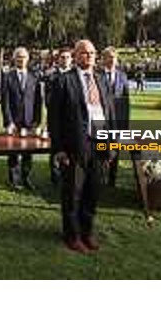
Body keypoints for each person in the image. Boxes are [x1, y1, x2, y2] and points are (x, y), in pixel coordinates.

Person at [49, 39, 114, 254]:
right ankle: (72, 235)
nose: (90, 57)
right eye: (85, 53)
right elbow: (54, 119)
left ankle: (87, 232)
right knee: (72, 194)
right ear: (76, 56)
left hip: (100, 143)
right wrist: (58, 149)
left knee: (92, 192)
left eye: (93, 53)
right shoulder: (63, 81)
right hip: (75, 145)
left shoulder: (102, 79)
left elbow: (109, 112)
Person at [0, 47, 42, 190]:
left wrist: (37, 121)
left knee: (28, 152)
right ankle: (13, 179)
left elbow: (38, 102)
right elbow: (4, 102)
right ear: (14, 58)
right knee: (13, 151)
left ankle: (26, 178)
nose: (21, 59)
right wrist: (8, 121)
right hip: (14, 122)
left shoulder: (34, 77)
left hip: (29, 121)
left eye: (23, 57)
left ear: (28, 59)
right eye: (18, 57)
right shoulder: (7, 77)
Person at [100, 46, 130, 186]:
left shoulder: (122, 76)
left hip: (117, 121)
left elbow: (125, 102)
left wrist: (125, 125)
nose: (112, 60)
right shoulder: (97, 75)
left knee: (115, 149)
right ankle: (99, 177)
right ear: (103, 59)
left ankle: (112, 179)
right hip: (100, 120)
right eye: (109, 57)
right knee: (100, 148)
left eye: (114, 57)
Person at [45, 47, 73, 184]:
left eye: (68, 57)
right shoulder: (51, 76)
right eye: (63, 57)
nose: (65, 60)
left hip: (71, 120)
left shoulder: (75, 75)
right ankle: (55, 176)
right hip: (56, 118)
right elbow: (48, 100)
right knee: (55, 147)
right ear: (58, 59)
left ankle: (68, 174)